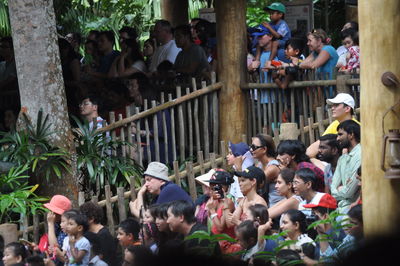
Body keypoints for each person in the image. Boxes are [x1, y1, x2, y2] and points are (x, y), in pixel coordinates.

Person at [306, 93, 359, 158]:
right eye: (332, 105)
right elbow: (312, 150)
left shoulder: (357, 127)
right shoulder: (335, 124)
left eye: (336, 105)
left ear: (347, 108)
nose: (332, 108)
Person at [204, 170, 240, 254]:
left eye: (214, 188)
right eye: (210, 187)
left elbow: (220, 228)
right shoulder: (213, 201)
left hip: (227, 245)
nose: (211, 190)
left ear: (223, 188)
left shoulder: (228, 202)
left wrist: (212, 210)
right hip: (216, 244)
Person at [331, 120, 361, 214]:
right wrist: (343, 189)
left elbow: (349, 192)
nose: (337, 139)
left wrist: (341, 189)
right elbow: (333, 190)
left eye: (340, 134)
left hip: (354, 209)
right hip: (341, 208)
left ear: (351, 135)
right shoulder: (342, 159)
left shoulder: (361, 154)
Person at [79, 201, 118, 266]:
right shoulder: (87, 232)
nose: (79, 220)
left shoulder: (104, 235)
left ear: (91, 219)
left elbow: (108, 259)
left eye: (81, 217)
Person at [250, 134, 283, 207]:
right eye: (251, 147)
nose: (251, 150)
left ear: (264, 149)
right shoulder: (260, 164)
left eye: (254, 147)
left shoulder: (273, 167)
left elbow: (252, 184)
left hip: (276, 207)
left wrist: (239, 167)